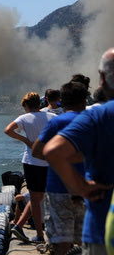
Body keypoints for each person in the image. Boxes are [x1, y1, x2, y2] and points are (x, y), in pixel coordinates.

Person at [44, 48, 114, 255]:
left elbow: (53, 152)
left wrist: (80, 188)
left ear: (102, 77)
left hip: (103, 229)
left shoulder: (98, 117)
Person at [31, 82, 88, 255]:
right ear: (84, 101)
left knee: (61, 241)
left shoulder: (57, 122)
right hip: (86, 188)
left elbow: (37, 151)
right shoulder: (94, 122)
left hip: (58, 188)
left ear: (62, 101)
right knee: (85, 239)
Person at [5, 92, 56, 243]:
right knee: (48, 196)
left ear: (26, 105)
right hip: (49, 161)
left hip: (31, 162)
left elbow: (8, 130)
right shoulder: (52, 117)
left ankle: (38, 234)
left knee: (35, 198)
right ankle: (28, 228)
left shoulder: (24, 118)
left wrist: (26, 140)